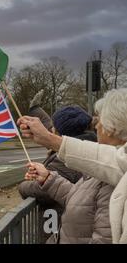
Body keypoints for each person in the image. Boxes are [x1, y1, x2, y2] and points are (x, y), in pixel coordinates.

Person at [18, 88, 127, 244]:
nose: (95, 127)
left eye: (100, 121)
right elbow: (83, 200)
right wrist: (49, 179)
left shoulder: (112, 183)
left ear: (112, 129)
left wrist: (49, 139)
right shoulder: (109, 169)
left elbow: (103, 237)